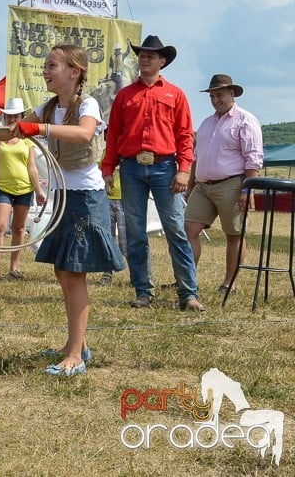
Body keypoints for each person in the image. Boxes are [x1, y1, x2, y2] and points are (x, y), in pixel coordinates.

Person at [13, 43, 126, 377]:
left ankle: (75, 355)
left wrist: (38, 129)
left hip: (85, 199)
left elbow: (84, 133)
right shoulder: (49, 107)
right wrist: (0, 129)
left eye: (52, 66)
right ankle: (76, 344)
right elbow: (14, 131)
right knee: (63, 272)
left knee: (74, 274)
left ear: (74, 72)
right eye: (45, 66)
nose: (46, 71)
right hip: (65, 198)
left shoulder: (87, 104)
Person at [102, 35, 205, 312]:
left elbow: (185, 136)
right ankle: (143, 291)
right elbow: (114, 136)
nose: (144, 58)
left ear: (163, 61)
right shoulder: (124, 95)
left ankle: (188, 294)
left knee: (176, 229)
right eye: (142, 55)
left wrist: (184, 170)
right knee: (135, 232)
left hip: (165, 166)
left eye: (151, 55)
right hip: (131, 166)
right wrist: (108, 168)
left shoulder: (176, 94)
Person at [185, 74, 263, 296]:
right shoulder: (207, 123)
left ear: (232, 93)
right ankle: (188, 280)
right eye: (212, 96)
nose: (215, 99)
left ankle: (230, 283)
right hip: (202, 185)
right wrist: (191, 184)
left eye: (219, 95)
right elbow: (196, 156)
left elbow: (253, 158)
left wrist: (248, 189)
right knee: (189, 229)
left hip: (232, 183)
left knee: (234, 234)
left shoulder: (246, 120)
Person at [0, 97, 46, 281]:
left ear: (21, 116)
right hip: (3, 187)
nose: (11, 119)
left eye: (15, 116)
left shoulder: (27, 140)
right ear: (4, 117)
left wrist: (38, 190)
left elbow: (32, 166)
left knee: (18, 228)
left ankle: (14, 267)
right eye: (8, 116)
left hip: (25, 189)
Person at [99, 162, 125, 286]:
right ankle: (107, 273)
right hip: (106, 199)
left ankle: (137, 275)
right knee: (107, 238)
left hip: (125, 200)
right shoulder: (105, 154)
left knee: (127, 241)